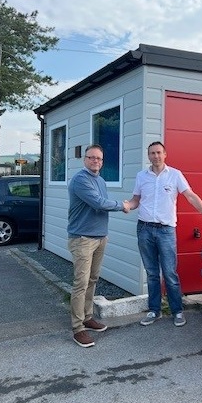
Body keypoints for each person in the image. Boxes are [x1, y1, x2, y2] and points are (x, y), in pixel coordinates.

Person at [127, 141, 202, 327]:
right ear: (148, 156)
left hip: (165, 231)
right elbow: (136, 200)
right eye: (152, 153)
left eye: (158, 152)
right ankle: (154, 311)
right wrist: (127, 206)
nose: (155, 156)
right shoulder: (142, 176)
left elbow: (191, 196)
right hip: (144, 229)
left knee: (170, 273)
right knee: (152, 273)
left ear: (165, 154)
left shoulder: (175, 175)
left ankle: (177, 311)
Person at [68, 144, 129, 348]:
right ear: (85, 159)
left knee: (93, 279)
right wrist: (123, 205)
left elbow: (102, 201)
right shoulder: (80, 180)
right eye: (92, 157)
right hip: (83, 238)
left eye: (99, 159)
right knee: (81, 283)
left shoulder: (100, 180)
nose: (96, 161)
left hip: (100, 237)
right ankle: (78, 328)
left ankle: (87, 317)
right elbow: (99, 203)